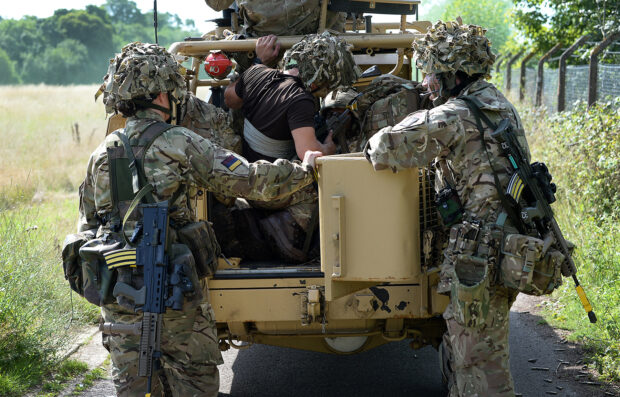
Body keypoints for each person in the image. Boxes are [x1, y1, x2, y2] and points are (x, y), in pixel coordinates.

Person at [77, 42, 320, 396]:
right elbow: (248, 180)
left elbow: (88, 227)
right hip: (177, 295)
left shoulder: (103, 152)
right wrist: (302, 171)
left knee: (136, 388)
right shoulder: (178, 142)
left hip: (122, 295)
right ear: (163, 94)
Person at [364, 21, 529, 396]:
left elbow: (388, 146)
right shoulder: (497, 104)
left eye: (432, 75)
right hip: (504, 249)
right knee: (472, 357)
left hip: (480, 257)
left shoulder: (456, 113)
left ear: (454, 74)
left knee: (480, 368)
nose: (426, 85)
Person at [215, 32, 360, 262]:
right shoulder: (300, 99)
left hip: (241, 177)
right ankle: (283, 230)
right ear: (321, 78)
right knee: (327, 180)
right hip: (267, 189)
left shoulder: (256, 72)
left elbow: (230, 99)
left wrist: (259, 63)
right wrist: (329, 148)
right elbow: (308, 153)